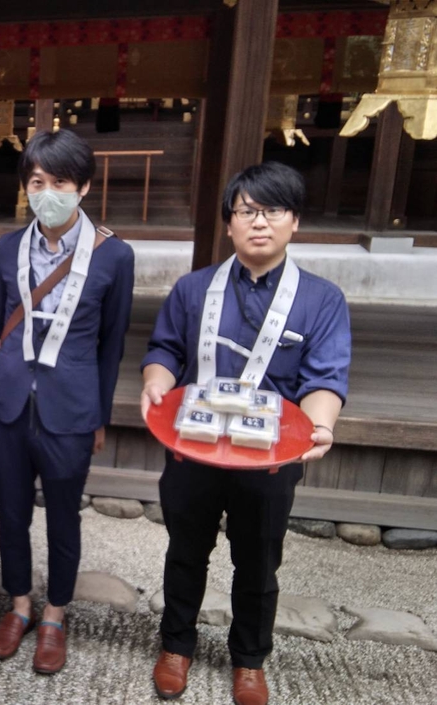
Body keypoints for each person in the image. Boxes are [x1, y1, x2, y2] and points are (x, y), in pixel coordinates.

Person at [141, 161, 350, 705]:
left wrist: (321, 425)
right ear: (229, 223)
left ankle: (249, 660)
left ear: (294, 221)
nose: (259, 222)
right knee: (186, 551)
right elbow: (165, 350)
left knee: (258, 560)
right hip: (192, 450)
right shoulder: (192, 289)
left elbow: (324, 378)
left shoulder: (321, 299)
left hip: (270, 460)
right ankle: (176, 646)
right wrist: (156, 383)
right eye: (246, 210)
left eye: (273, 210)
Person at [0, 129, 135, 674]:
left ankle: (53, 614)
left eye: (60, 182)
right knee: (10, 513)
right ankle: (18, 604)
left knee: (63, 518)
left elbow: (111, 346)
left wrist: (99, 415)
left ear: (84, 187)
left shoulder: (114, 255)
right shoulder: (6, 247)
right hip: (7, 407)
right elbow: (0, 326)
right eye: (37, 182)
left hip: (70, 409)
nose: (47, 193)